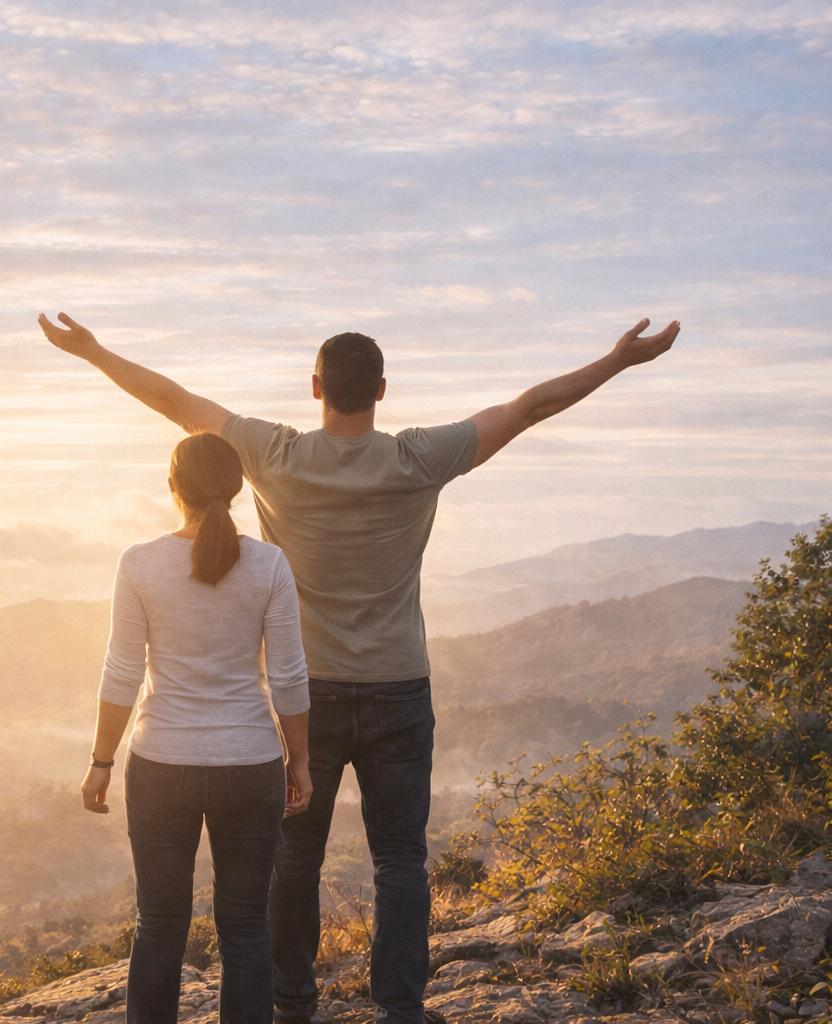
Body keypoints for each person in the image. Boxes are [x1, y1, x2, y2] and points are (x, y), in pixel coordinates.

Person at [43, 311, 680, 1024]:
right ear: (380, 389)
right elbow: (528, 407)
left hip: (304, 695)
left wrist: (95, 352)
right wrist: (616, 361)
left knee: (294, 861)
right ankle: (399, 1010)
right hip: (397, 688)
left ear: (315, 387)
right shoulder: (419, 458)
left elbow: (176, 403)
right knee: (400, 859)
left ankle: (292, 1004)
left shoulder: (274, 454)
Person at [82, 431, 314, 1024]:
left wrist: (101, 761)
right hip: (250, 764)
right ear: (236, 489)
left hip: (161, 764)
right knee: (246, 926)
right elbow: (288, 676)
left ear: (172, 487)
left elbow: (122, 673)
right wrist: (300, 762)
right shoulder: (269, 564)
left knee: (159, 925)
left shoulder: (139, 563)